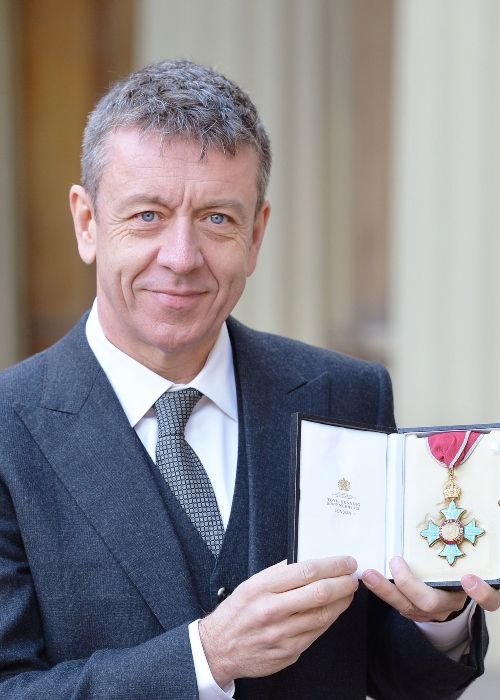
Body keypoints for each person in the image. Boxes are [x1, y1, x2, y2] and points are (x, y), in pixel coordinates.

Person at [0, 58, 497, 699]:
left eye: (216, 219)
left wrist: (442, 620)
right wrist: (205, 658)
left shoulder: (344, 396)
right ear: (87, 222)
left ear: (256, 234)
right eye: (147, 215)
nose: (180, 258)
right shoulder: (10, 430)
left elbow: (396, 675)